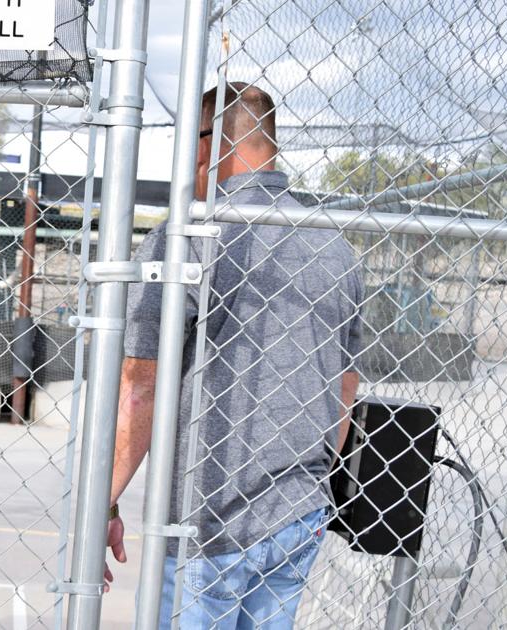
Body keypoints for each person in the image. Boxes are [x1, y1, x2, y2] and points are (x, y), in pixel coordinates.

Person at [105, 83, 363, 628]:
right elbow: (344, 387)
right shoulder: (333, 245)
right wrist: (314, 481)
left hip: (209, 519)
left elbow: (141, 385)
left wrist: (102, 499)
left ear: (208, 144)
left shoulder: (193, 234)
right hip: (300, 510)